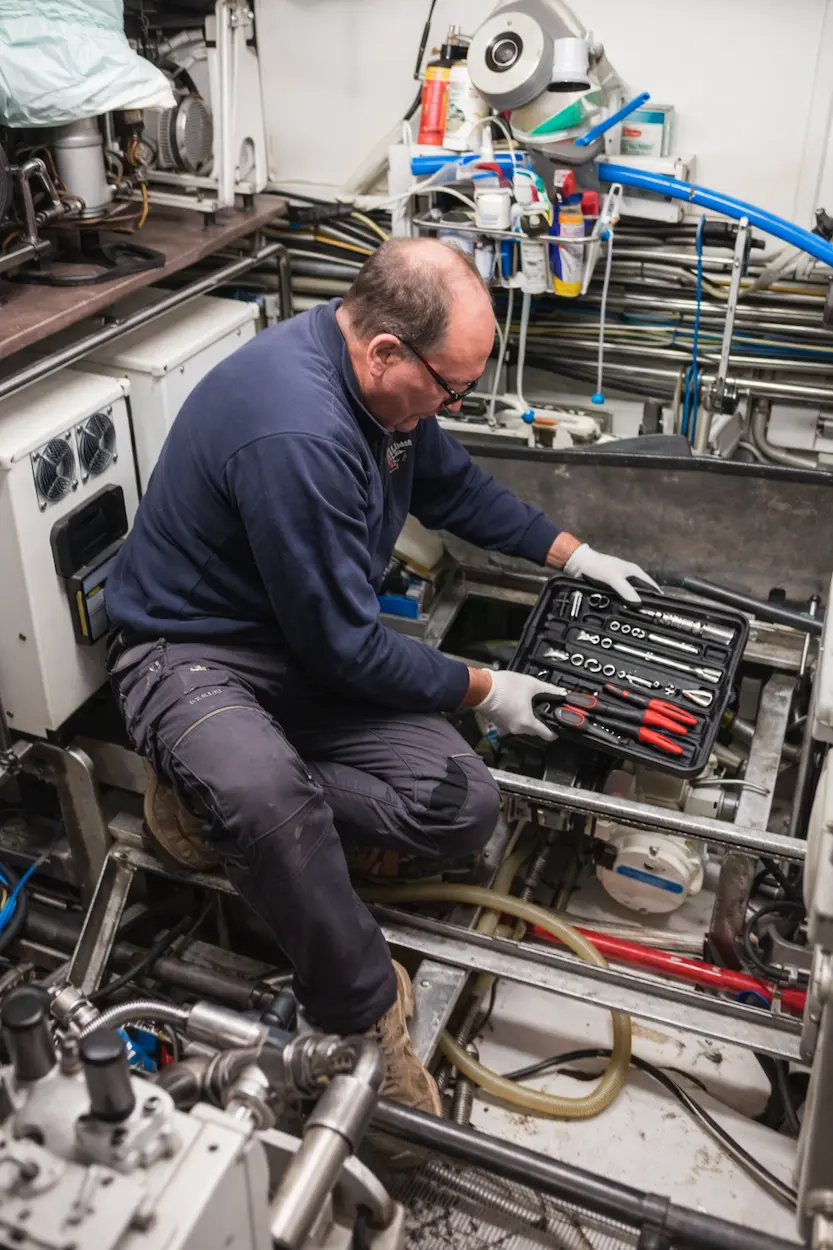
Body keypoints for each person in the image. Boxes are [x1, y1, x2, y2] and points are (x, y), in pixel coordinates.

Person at [105, 238, 657, 1116]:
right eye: (451, 390)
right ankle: (362, 1015)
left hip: (303, 646)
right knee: (264, 799)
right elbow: (346, 650)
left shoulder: (384, 392)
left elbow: (453, 490)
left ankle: (226, 809)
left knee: (461, 806)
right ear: (386, 350)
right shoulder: (300, 431)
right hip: (194, 652)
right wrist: (488, 689)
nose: (453, 406)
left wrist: (573, 554)